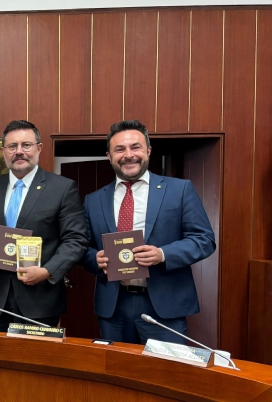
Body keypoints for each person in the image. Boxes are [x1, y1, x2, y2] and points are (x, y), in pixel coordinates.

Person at [81, 120, 215, 344]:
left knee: (165, 374)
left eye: (135, 147)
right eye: (119, 149)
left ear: (148, 151)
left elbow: (204, 240)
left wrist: (162, 254)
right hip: (114, 306)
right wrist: (94, 259)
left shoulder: (179, 190)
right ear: (109, 155)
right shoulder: (93, 200)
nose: (128, 155)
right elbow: (82, 247)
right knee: (117, 374)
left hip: (164, 304)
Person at [0, 120, 88, 330]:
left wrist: (47, 271)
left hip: (41, 299)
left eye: (26, 145)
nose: (19, 152)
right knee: (0, 361)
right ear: (4, 151)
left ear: (39, 148)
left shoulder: (62, 188)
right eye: (12, 147)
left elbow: (76, 239)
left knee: (37, 362)